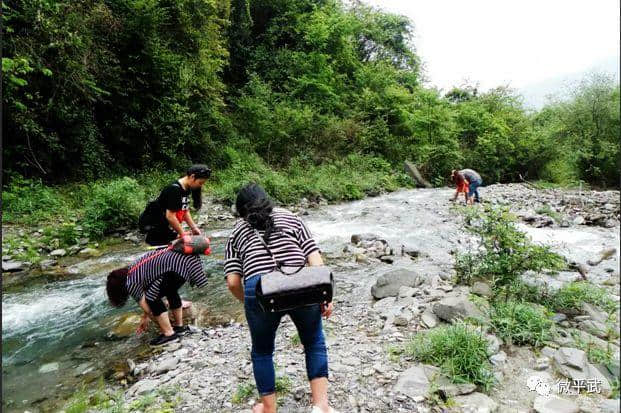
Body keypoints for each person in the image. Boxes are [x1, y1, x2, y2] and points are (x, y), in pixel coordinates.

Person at [224, 184, 337, 413]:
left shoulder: (236, 230)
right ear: (268, 200)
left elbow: (233, 282)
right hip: (301, 283)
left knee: (262, 351)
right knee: (314, 341)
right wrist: (324, 295)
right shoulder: (292, 218)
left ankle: (268, 409)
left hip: (260, 288)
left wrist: (248, 303)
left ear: (240, 209)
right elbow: (315, 260)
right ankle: (321, 406)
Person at [106, 244, 209, 345]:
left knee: (152, 298)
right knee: (170, 291)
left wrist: (149, 318)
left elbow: (148, 307)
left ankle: (169, 333)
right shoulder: (134, 268)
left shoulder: (130, 282)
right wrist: (145, 317)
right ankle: (179, 327)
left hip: (177, 266)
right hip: (187, 262)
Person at [145, 164, 211, 246]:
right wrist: (183, 234)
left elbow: (185, 210)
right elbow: (170, 216)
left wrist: (194, 228)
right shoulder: (174, 190)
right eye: (200, 183)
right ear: (192, 177)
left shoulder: (186, 189)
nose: (201, 186)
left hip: (167, 230)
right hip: (157, 232)